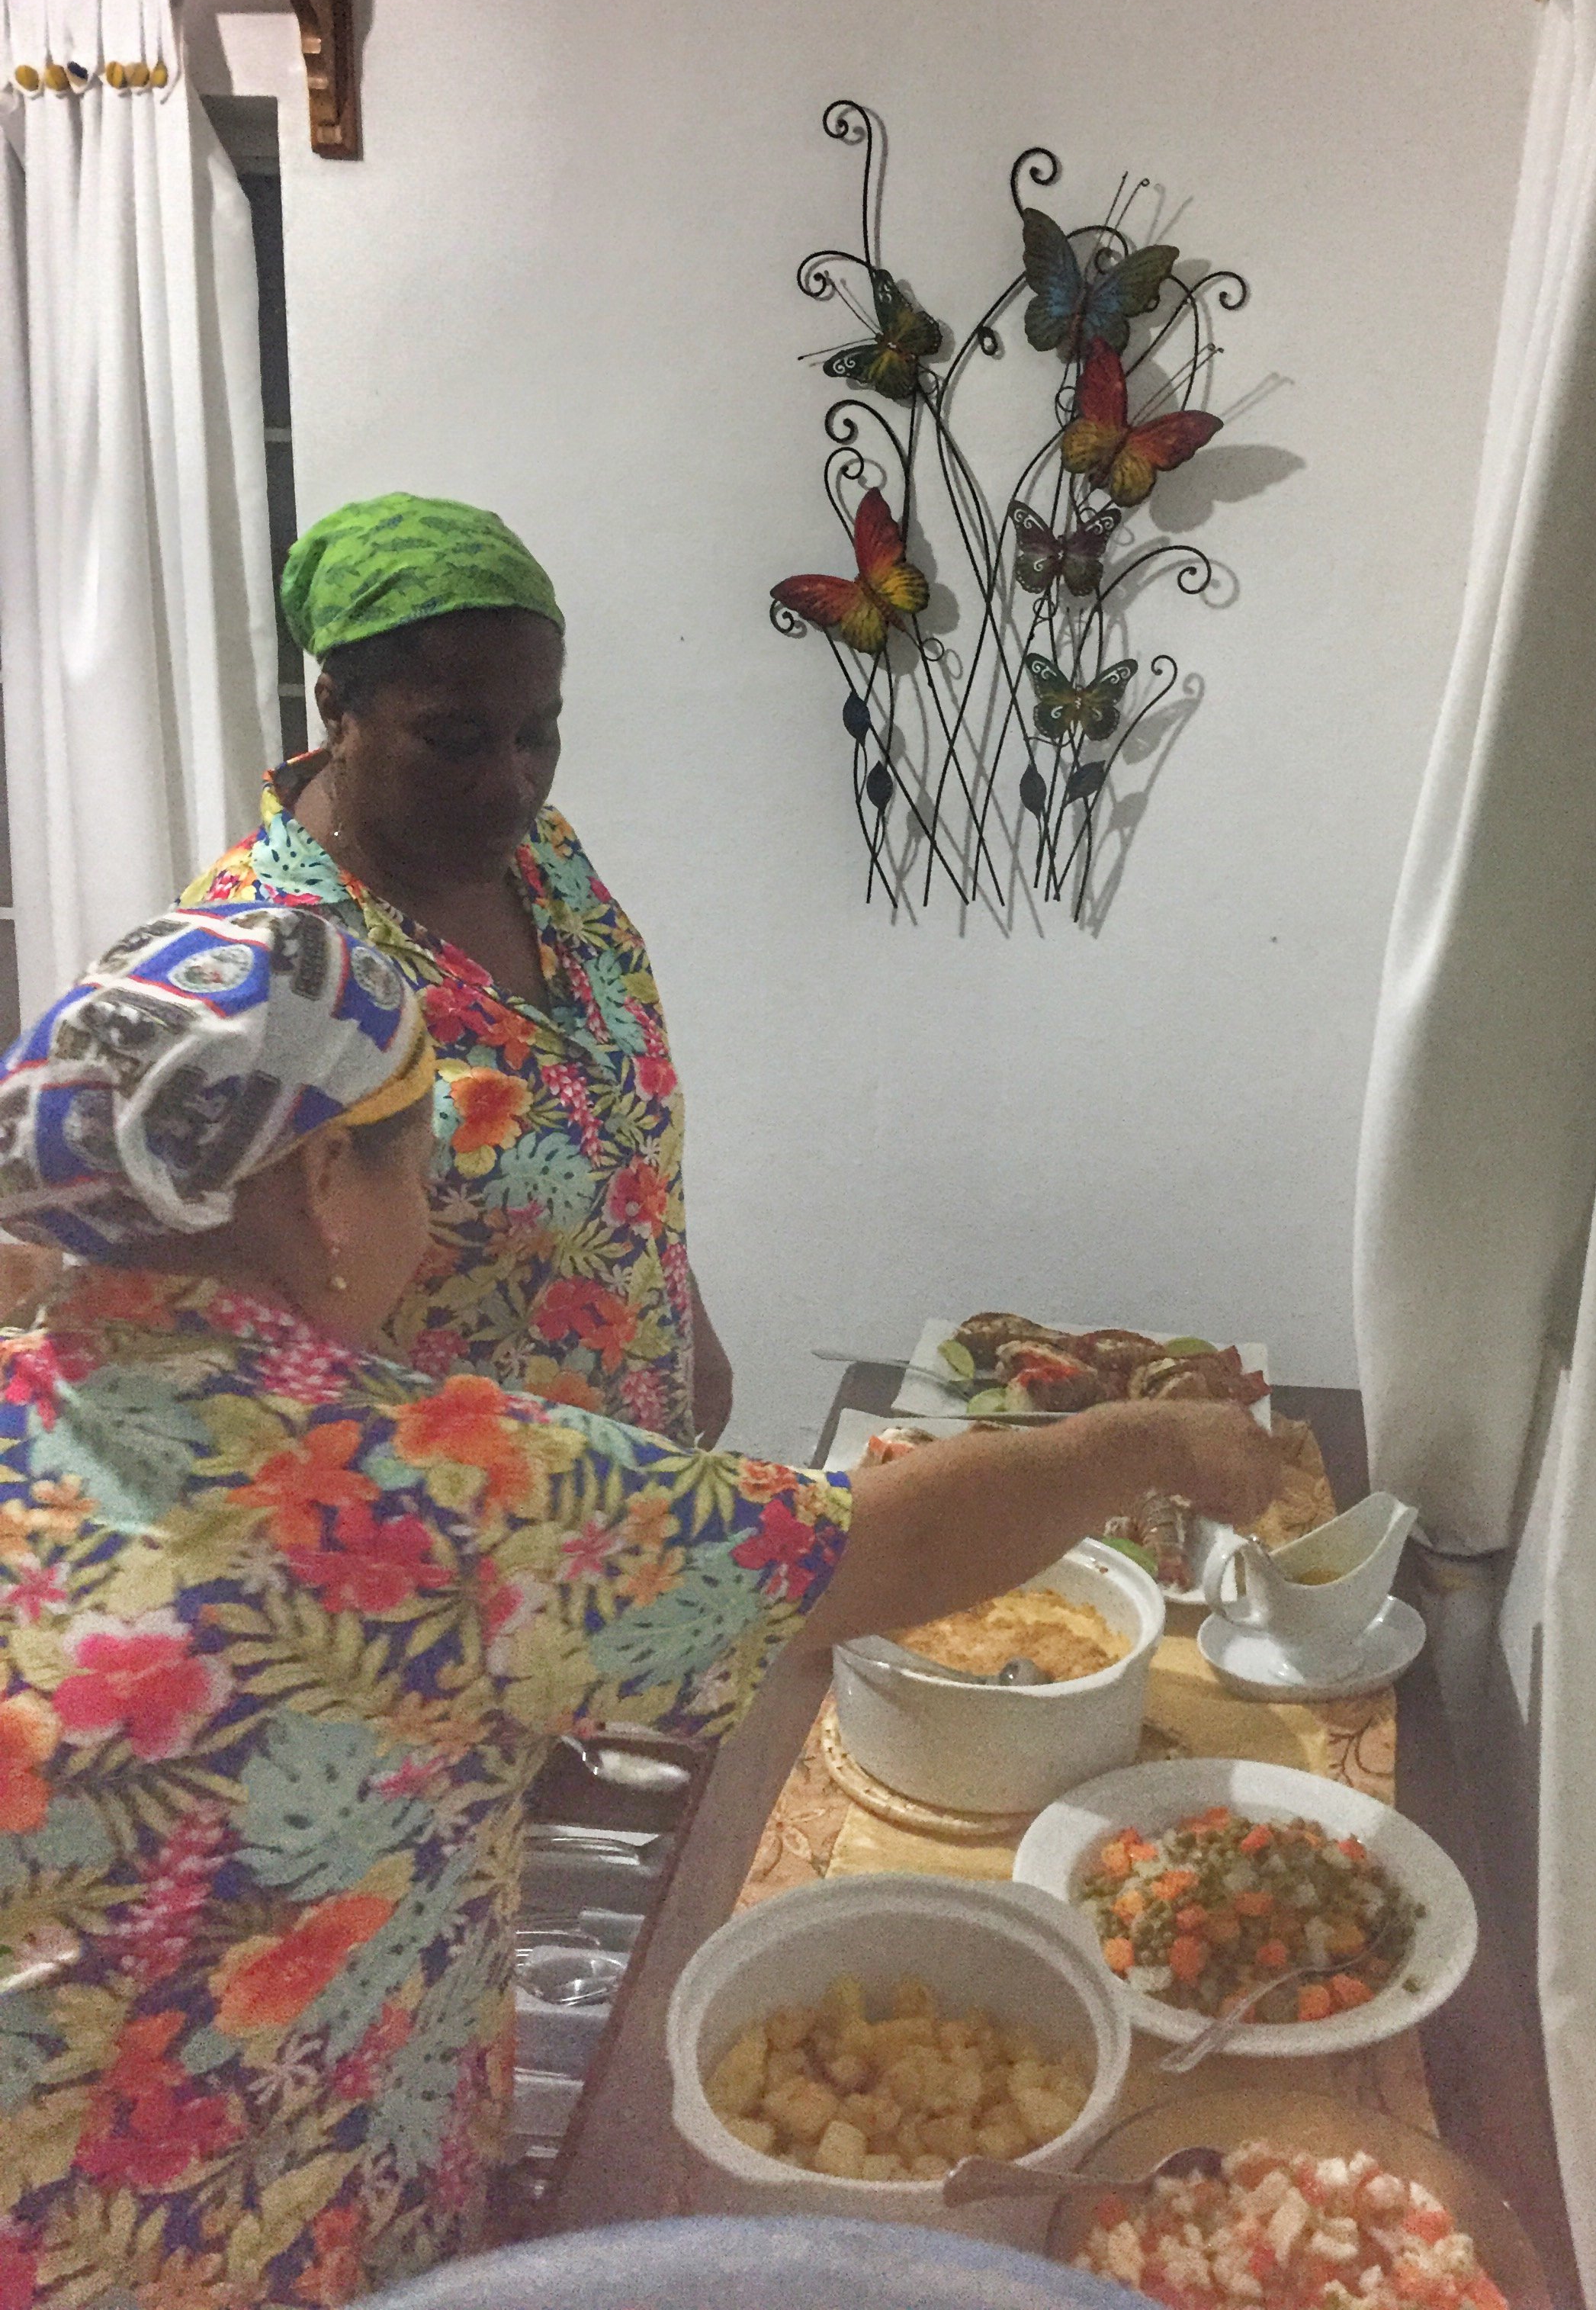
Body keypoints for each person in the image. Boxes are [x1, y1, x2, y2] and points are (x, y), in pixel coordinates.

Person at [0, 906, 1286, 2308]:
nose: (431, 1226)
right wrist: (1143, 1445)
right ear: (325, 1179)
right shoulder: (437, 1491)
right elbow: (871, 1554)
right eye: (424, 1162)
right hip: (278, 2253)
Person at [187, 491, 735, 1449]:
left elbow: (613, 1123)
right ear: (339, 710)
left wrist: (686, 1328)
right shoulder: (257, 956)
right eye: (457, 740)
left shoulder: (545, 858)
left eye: (538, 733)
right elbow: (237, 1326)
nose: (511, 781)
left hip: (639, 1481)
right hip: (449, 1517)